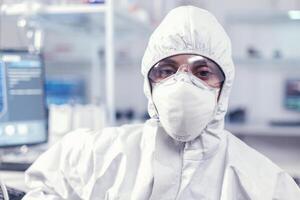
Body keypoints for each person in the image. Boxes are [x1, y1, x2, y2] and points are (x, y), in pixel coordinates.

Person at [23, 6, 300, 200]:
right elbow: (45, 187)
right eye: (166, 71)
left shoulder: (264, 183)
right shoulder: (97, 154)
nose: (182, 85)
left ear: (223, 88)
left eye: (202, 73)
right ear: (149, 83)